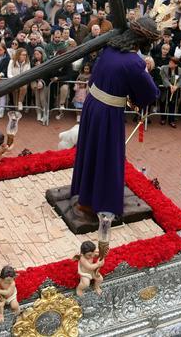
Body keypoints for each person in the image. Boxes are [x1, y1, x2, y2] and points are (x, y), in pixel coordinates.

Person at [69, 17, 159, 231]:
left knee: (90, 152)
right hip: (108, 114)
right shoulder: (134, 63)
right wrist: (146, 72)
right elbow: (149, 94)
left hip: (92, 105)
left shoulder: (110, 48)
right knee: (107, 157)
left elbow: (94, 79)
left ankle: (85, 195)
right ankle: (99, 202)